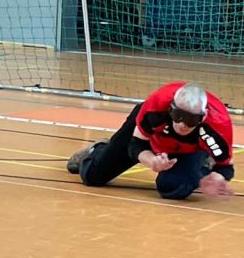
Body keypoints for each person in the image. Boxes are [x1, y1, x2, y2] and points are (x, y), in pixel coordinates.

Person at [66, 81, 234, 199]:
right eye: (178, 116)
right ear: (170, 108)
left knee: (174, 188)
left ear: (203, 117)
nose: (182, 124)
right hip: (150, 135)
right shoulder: (155, 108)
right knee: (93, 176)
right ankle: (99, 148)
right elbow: (136, 144)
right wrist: (151, 160)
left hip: (187, 150)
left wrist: (218, 176)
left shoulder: (217, 127)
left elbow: (226, 166)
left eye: (191, 120)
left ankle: (203, 163)